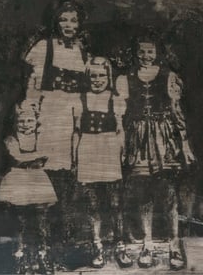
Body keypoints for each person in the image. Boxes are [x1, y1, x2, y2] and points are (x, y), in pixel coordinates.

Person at [119, 35, 196, 270]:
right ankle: (147, 244)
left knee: (168, 193)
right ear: (135, 53)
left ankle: (174, 244)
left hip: (164, 139)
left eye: (150, 51)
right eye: (141, 51)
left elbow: (177, 112)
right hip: (138, 138)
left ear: (157, 53)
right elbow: (120, 114)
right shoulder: (126, 78)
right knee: (144, 193)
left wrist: (184, 144)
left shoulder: (168, 77)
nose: (146, 56)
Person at [23, 0, 90, 253]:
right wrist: (31, 111)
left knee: (69, 175)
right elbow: (33, 86)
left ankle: (66, 239)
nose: (69, 25)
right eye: (63, 20)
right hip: (50, 112)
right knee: (45, 172)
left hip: (73, 114)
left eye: (74, 20)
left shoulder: (82, 50)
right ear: (56, 22)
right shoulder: (44, 47)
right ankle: (42, 241)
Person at [72, 56, 127, 268]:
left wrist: (122, 153)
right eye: (93, 76)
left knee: (115, 202)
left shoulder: (115, 99)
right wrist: (75, 157)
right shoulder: (81, 99)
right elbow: (77, 131)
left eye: (102, 76)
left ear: (109, 76)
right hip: (88, 149)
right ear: (87, 77)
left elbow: (120, 130)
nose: (97, 80)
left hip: (109, 148)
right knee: (93, 203)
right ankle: (98, 246)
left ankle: (120, 245)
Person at [0, 100, 58, 275]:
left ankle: (43, 255)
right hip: (18, 178)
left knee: (41, 219)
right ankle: (20, 256)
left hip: (38, 179)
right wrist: (35, 157)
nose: (25, 124)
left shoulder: (41, 138)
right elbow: (17, 157)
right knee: (20, 220)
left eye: (30, 120)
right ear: (15, 122)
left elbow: (47, 154)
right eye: (21, 121)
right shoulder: (11, 139)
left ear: (37, 121)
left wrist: (33, 157)